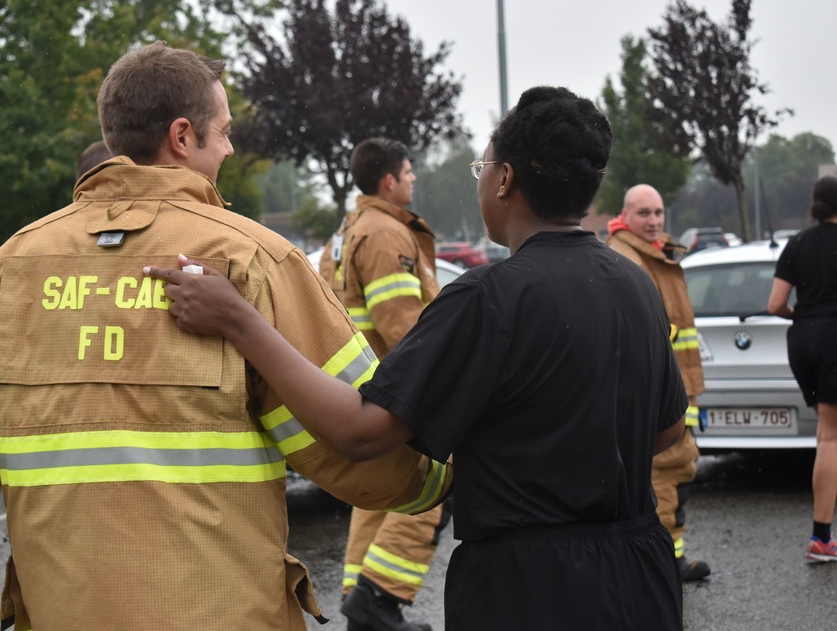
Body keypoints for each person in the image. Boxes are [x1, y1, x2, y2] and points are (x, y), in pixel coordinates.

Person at [0, 42, 451, 631]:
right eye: (224, 132)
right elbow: (353, 439)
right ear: (182, 137)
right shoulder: (253, 261)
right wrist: (443, 476)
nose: (230, 148)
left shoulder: (6, 272)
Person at [148, 86, 688, 629]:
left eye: (482, 168)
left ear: (504, 179)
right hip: (642, 575)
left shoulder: (488, 297)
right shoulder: (636, 284)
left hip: (529, 584)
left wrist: (240, 320)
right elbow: (666, 429)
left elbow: (361, 433)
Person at [317, 138, 447, 631]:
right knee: (433, 487)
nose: (413, 179)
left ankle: (360, 605)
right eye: (409, 173)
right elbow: (405, 326)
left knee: (376, 499)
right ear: (389, 181)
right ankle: (380, 597)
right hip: (397, 389)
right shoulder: (386, 233)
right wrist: (443, 382)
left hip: (361, 387)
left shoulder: (347, 230)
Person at [605, 184, 711, 582]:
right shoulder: (626, 256)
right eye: (644, 213)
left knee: (676, 471)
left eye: (659, 212)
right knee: (666, 472)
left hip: (673, 385)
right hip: (656, 390)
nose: (654, 221)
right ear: (625, 215)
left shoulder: (654, 251)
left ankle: (668, 557)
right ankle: (662, 562)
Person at [768, 174, 837, 562]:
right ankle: (821, 538)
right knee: (831, 437)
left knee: (828, 435)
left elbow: (775, 304)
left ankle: (822, 535)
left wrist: (807, 317)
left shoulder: (797, 242)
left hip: (803, 340)